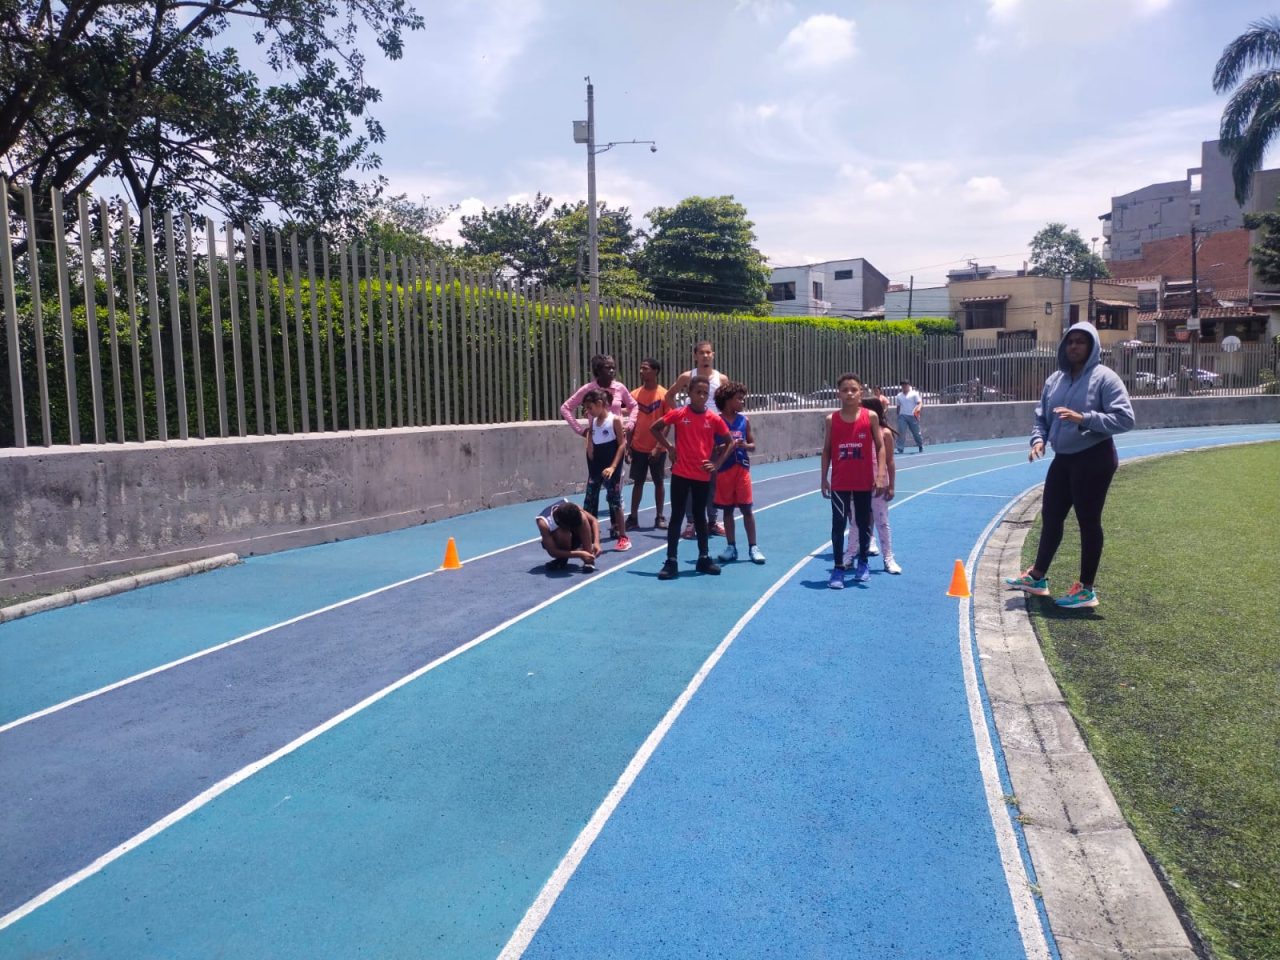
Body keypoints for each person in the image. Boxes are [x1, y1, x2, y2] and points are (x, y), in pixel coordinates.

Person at [1004, 321, 1135, 609]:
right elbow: (1041, 417)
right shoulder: (1055, 380)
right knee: (1051, 516)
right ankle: (1038, 577)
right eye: (1070, 341)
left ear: (1092, 346)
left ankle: (1086, 589)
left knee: (1088, 522)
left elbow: (1126, 419)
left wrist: (1084, 418)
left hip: (1094, 457)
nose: (1074, 346)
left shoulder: (1105, 378)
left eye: (1081, 342)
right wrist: (1038, 440)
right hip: (1063, 459)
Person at [650, 377, 732, 580]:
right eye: (698, 392)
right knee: (677, 516)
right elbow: (655, 428)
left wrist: (717, 465)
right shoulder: (679, 413)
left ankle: (703, 557)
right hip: (680, 474)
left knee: (700, 517)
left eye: (705, 393)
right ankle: (671, 560)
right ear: (690, 393)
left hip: (701, 476)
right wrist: (669, 448)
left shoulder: (713, 418)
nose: (702, 396)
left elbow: (730, 442)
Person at [820, 373, 888, 589]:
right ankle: (839, 568)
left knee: (863, 522)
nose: (849, 393)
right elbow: (827, 450)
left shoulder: (870, 417)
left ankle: (863, 563)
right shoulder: (832, 419)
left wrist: (879, 476)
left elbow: (880, 446)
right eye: (844, 390)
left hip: (863, 481)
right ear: (838, 393)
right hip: (840, 482)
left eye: (853, 389)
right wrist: (823, 478)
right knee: (838, 524)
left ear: (861, 393)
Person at [668, 341, 729, 539]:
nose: (705, 356)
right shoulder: (687, 376)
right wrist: (680, 418)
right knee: (687, 481)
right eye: (701, 353)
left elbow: (726, 404)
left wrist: (724, 426)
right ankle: (691, 522)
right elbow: (669, 397)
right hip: (690, 436)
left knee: (712, 480)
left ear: (713, 354)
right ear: (695, 355)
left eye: (708, 352)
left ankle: (712, 520)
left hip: (713, 435)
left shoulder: (722, 378)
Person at [844, 396, 901, 575]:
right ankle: (850, 555)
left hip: (878, 485)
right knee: (855, 522)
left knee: (882, 522)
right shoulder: (857, 431)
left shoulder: (885, 434)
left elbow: (890, 461)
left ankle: (888, 558)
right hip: (858, 483)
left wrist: (891, 485)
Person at [712, 381, 765, 564]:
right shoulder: (716, 421)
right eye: (739, 398)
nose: (743, 401)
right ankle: (731, 546)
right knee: (727, 511)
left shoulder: (744, 420)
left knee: (746, 509)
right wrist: (719, 448)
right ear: (727, 400)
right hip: (724, 470)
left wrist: (745, 445)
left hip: (741, 468)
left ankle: (753, 547)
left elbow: (753, 444)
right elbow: (710, 447)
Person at [582, 389, 631, 551]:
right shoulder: (594, 422)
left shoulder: (614, 420)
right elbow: (591, 442)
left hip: (611, 467)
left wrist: (613, 466)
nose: (588, 412)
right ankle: (588, 536)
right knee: (589, 500)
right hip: (596, 468)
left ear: (600, 404)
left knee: (614, 501)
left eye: (590, 408)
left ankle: (623, 536)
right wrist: (589, 449)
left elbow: (622, 444)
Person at [625, 358, 669, 530]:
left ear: (655, 371)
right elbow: (631, 422)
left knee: (659, 482)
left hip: (657, 449)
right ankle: (633, 517)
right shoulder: (634, 394)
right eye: (641, 368)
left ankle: (660, 517)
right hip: (638, 448)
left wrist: (658, 447)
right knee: (638, 482)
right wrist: (628, 446)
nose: (641, 371)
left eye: (645, 368)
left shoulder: (664, 395)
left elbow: (667, 422)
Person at [560, 354, 636, 436]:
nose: (611, 371)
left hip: (618, 439)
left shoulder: (620, 387)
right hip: (596, 440)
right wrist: (581, 431)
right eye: (607, 368)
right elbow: (565, 408)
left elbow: (634, 406)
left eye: (613, 368)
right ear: (598, 370)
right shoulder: (588, 389)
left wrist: (630, 425)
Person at [536, 499, 601, 572]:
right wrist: (580, 554)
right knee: (562, 533)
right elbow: (552, 552)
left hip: (575, 537)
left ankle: (588, 559)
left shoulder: (573, 508)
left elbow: (594, 520)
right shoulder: (543, 523)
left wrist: (596, 542)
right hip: (558, 542)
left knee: (583, 518)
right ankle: (562, 559)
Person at [894, 378, 924, 454]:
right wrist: (898, 415)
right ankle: (900, 448)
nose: (904, 387)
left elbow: (919, 403)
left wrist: (918, 409)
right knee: (901, 432)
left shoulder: (914, 394)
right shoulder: (899, 395)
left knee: (916, 433)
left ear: (908, 385)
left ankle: (920, 445)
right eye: (902, 385)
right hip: (902, 416)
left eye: (905, 385)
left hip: (913, 416)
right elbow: (898, 406)